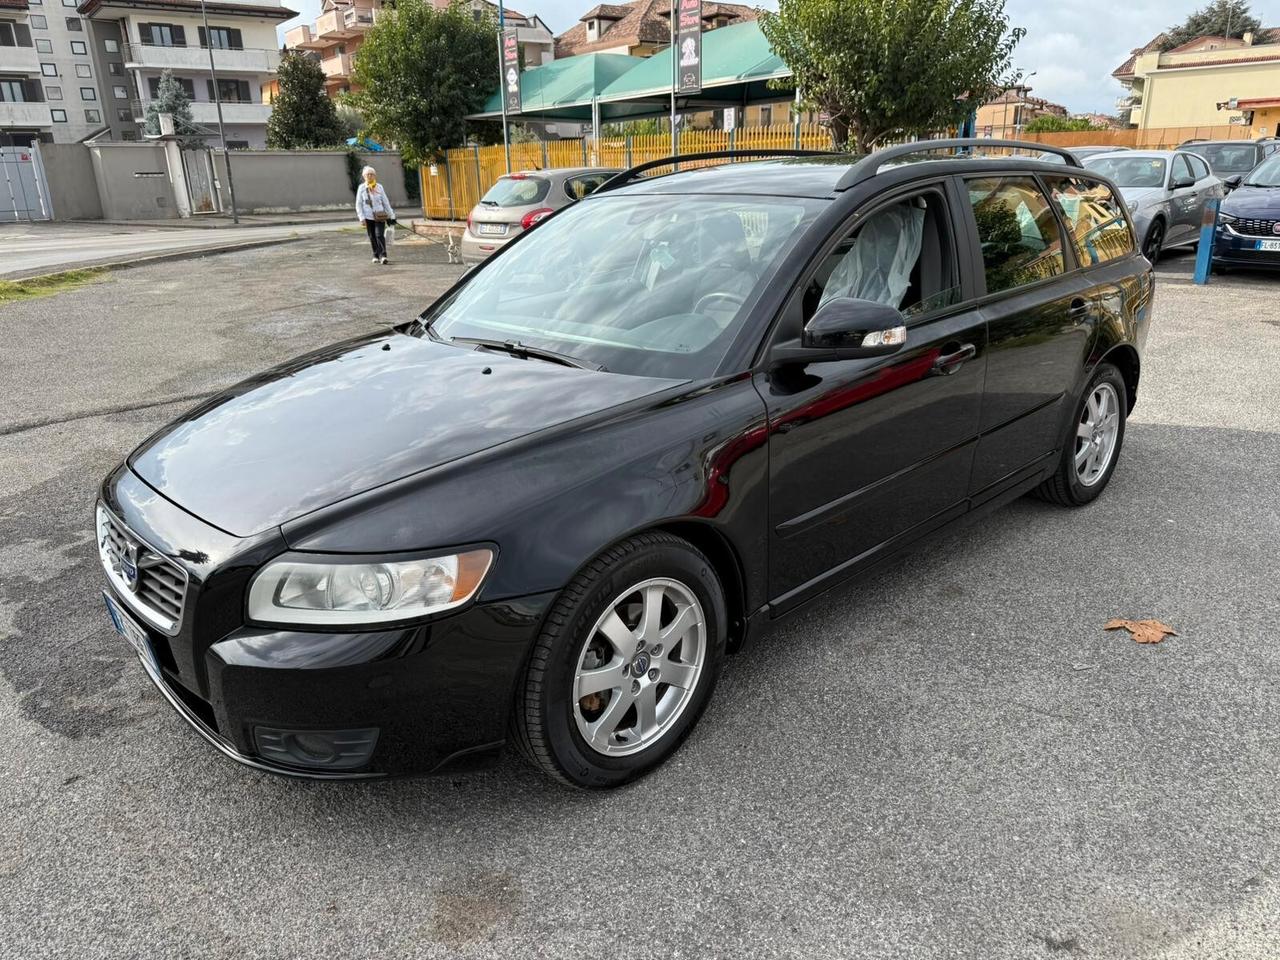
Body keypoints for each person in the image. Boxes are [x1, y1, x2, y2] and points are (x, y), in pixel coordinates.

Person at [355, 165, 396, 265]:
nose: (369, 176)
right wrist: (361, 218)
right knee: (372, 236)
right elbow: (358, 204)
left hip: (379, 216)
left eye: (372, 174)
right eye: (367, 174)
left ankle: (383, 255)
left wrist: (391, 215)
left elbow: (385, 202)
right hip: (368, 217)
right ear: (364, 176)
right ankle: (375, 255)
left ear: (375, 176)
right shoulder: (361, 188)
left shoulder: (379, 187)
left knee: (379, 235)